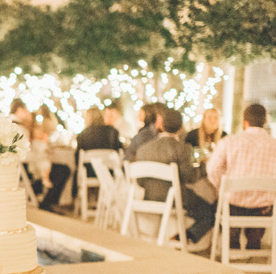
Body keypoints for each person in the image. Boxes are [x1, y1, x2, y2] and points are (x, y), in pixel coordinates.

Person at [136, 108, 215, 250]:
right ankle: (184, 237)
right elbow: (190, 177)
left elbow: (140, 181)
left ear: (160, 125)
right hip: (174, 200)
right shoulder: (183, 148)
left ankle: (179, 237)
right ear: (180, 128)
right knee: (210, 212)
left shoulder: (143, 149)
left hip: (149, 197)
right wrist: (205, 166)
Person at [207, 103, 276, 250]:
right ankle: (254, 242)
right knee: (260, 210)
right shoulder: (274, 144)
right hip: (263, 208)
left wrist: (222, 187)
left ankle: (232, 246)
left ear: (245, 122)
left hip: (233, 204)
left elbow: (212, 169)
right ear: (264, 122)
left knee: (230, 210)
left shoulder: (229, 142)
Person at [73, 106, 122, 199]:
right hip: (110, 172)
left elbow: (77, 158)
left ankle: (85, 199)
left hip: (89, 172)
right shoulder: (113, 132)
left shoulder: (82, 135)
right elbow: (119, 151)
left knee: (79, 169)